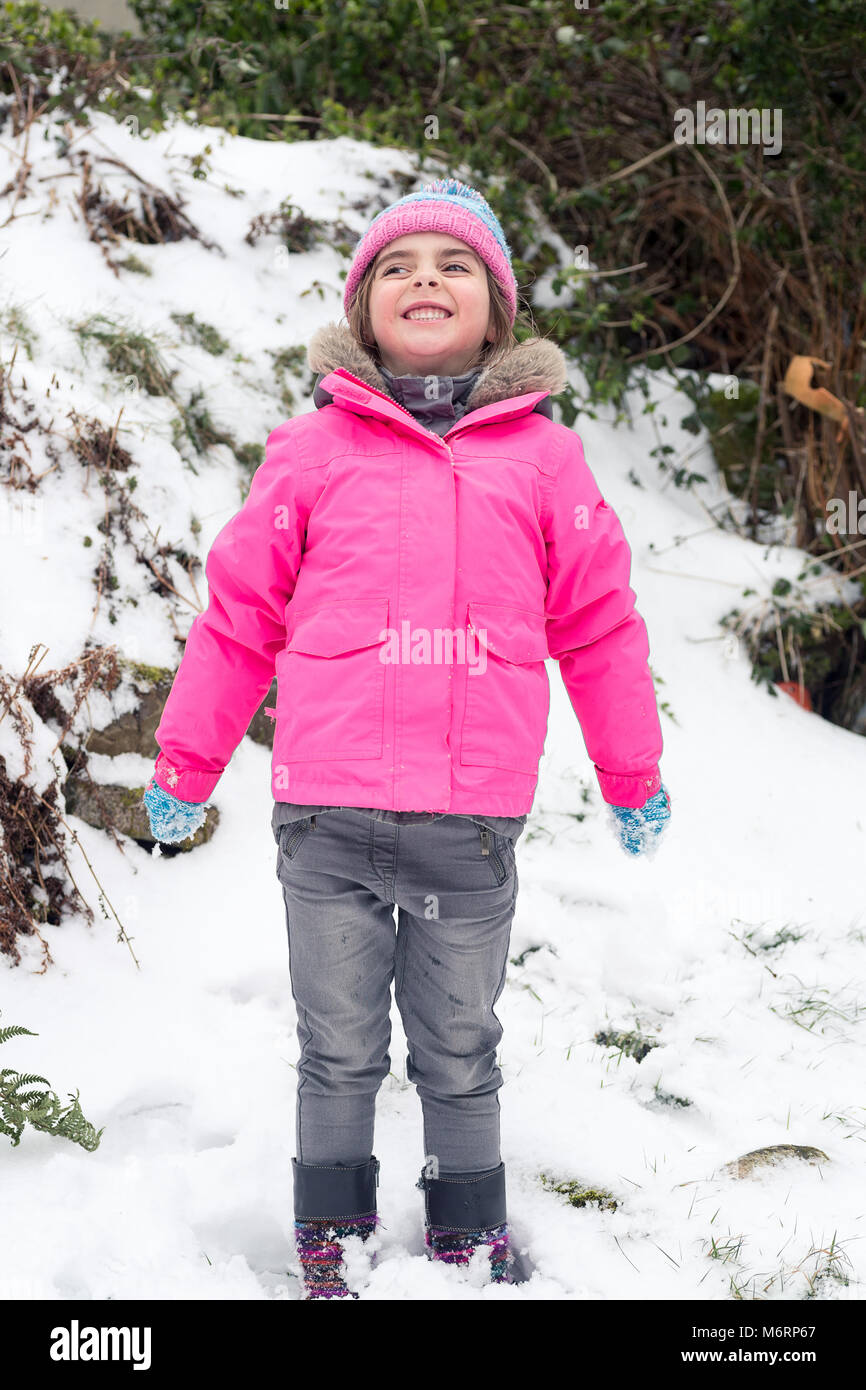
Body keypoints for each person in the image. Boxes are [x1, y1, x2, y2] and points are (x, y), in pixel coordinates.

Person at [142, 176, 672, 1298]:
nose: (423, 279)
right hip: (326, 814)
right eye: (396, 265)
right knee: (336, 1042)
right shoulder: (311, 450)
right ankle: (327, 1226)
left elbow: (598, 624)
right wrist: (187, 760)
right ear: (363, 305)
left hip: (468, 821)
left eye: (453, 265)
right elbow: (241, 617)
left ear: (495, 310)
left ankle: (464, 1225)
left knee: (458, 1043)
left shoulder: (543, 462)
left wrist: (630, 773)